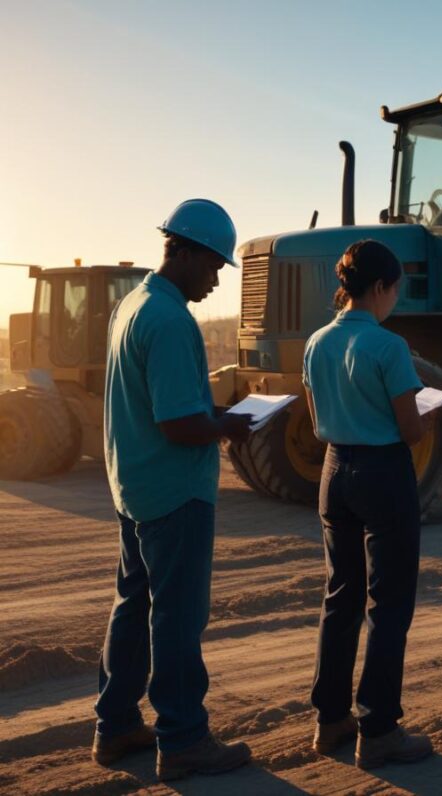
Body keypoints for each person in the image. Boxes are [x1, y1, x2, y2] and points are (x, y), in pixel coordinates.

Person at [93, 199, 254, 781]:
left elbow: (161, 401)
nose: (215, 281)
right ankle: (184, 739)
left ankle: (114, 728)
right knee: (178, 620)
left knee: (133, 608)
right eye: (212, 266)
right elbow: (180, 426)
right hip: (174, 492)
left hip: (133, 485)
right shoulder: (170, 320)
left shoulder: (131, 305)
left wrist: (213, 411)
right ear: (180, 251)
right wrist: (229, 426)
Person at [303, 239, 434, 769]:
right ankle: (378, 728)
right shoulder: (388, 347)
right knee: (390, 603)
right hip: (383, 473)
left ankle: (331, 719)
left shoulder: (316, 342)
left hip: (335, 471)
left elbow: (316, 421)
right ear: (380, 287)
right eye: (395, 290)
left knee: (341, 598)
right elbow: (409, 428)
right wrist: (430, 416)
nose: (395, 300)